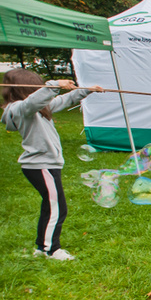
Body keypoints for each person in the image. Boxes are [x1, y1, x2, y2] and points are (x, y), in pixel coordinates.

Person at [1, 69, 104, 261]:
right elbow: (33, 102)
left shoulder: (37, 109)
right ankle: (51, 249)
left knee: (51, 206)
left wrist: (86, 90)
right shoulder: (19, 109)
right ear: (27, 91)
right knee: (57, 207)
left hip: (45, 165)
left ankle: (42, 247)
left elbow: (62, 101)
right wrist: (54, 84)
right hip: (40, 165)